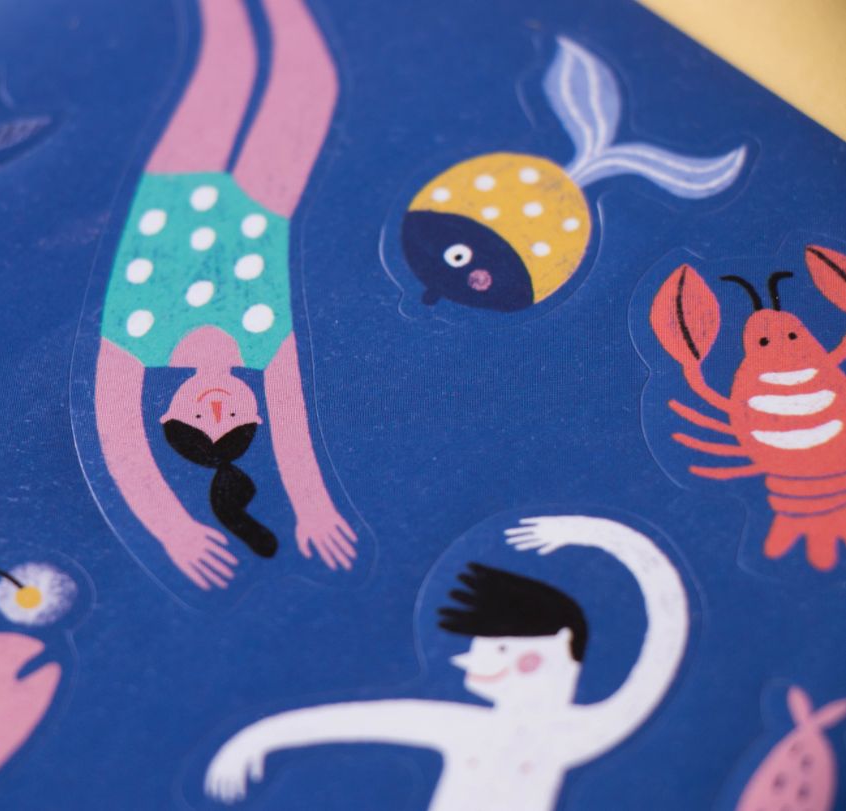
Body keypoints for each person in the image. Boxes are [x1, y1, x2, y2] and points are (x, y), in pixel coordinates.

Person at [93, 0, 355, 591]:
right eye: (233, 419)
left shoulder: (133, 345)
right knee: (312, 84)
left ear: (167, 411)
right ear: (257, 410)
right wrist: (312, 508)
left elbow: (119, 437)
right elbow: (295, 436)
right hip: (266, 201)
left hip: (173, 191)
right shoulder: (266, 346)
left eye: (197, 420)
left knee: (224, 68)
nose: (216, 408)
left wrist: (171, 528)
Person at [204, 516, 689, 810]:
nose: (469, 658)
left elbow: (665, 636)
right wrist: (257, 738)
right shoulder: (471, 729)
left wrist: (595, 533)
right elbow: (361, 720)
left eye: (499, 648)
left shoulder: (581, 732)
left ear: (558, 648)